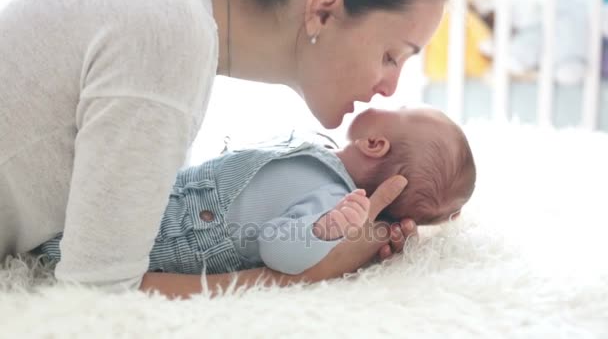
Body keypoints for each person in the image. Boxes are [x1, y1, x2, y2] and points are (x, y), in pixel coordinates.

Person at [0, 0, 447, 296]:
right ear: (324, 8)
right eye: (393, 55)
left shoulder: (175, 23)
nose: (391, 88)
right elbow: (94, 293)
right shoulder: (168, 36)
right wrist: (299, 278)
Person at [36, 107, 475, 297]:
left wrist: (328, 230)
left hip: (167, 234)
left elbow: (279, 251)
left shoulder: (333, 200)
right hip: (166, 196)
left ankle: (44, 244)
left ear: (376, 143)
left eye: (399, 108)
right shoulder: (323, 162)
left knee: (66, 234)